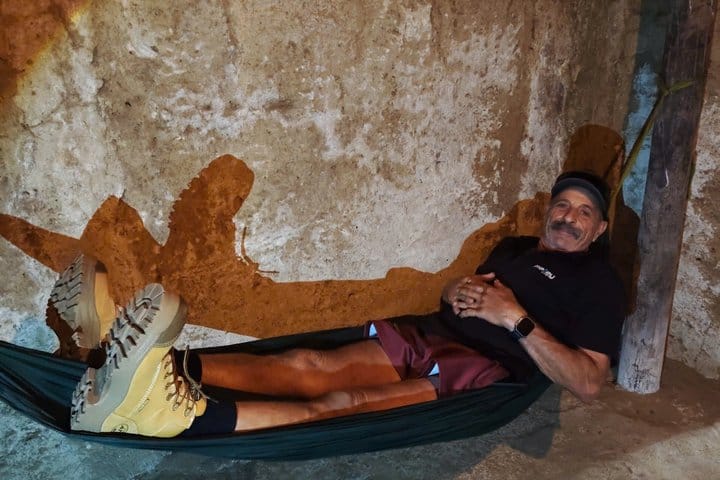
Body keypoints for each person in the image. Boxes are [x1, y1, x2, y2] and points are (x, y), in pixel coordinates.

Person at [54, 170, 625, 438]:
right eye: (563, 205)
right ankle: (139, 364)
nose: (569, 217)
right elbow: (464, 290)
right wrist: (455, 290)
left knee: (341, 404)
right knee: (306, 362)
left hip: (479, 370)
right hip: (431, 332)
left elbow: (589, 382)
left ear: (598, 230)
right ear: (549, 210)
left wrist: (514, 318)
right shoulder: (516, 248)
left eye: (584, 212)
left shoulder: (599, 283)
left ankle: (174, 415)